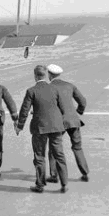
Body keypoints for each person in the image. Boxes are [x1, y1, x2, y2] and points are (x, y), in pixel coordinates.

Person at [15, 65, 68, 193]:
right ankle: (64, 184)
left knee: (39, 156)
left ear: (35, 75)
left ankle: (40, 184)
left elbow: (24, 111)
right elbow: (63, 108)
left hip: (40, 127)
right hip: (55, 127)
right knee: (59, 154)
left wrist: (19, 126)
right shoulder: (55, 89)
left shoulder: (31, 91)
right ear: (45, 75)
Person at [47, 64, 89, 183]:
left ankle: (54, 175)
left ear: (49, 75)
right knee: (77, 147)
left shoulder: (49, 88)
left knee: (53, 149)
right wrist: (78, 112)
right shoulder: (70, 85)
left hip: (59, 122)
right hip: (74, 121)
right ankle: (85, 172)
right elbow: (83, 101)